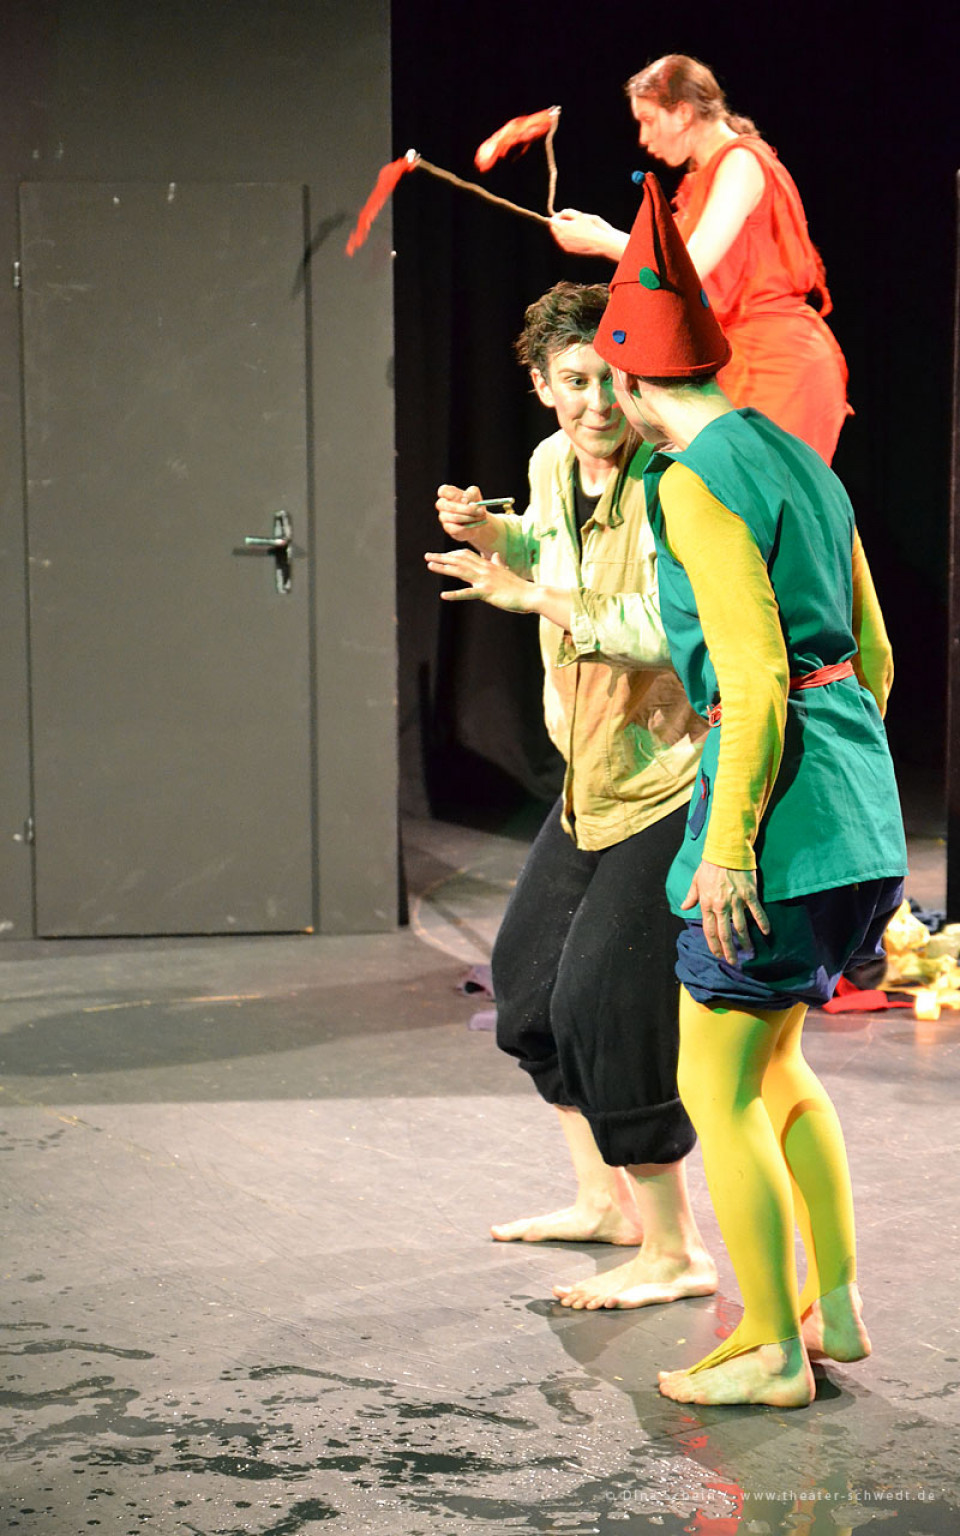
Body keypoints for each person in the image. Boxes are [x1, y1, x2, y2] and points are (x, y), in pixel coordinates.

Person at [591, 171, 907, 1405]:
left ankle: (772, 1346)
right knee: (777, 1068)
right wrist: (851, 798)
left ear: (630, 383)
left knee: (711, 1088)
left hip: (775, 823)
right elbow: (870, 655)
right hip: (858, 816)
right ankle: (836, 1307)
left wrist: (730, 845)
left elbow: (758, 677)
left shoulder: (695, 480)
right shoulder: (804, 460)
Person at [424, 281, 717, 1310]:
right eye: (576, 381)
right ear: (543, 385)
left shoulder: (674, 481)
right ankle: (607, 1203)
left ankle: (677, 1250)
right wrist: (494, 537)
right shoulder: (553, 463)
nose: (598, 402)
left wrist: (537, 595)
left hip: (671, 777)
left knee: (608, 1005)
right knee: (528, 991)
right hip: (590, 774)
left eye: (614, 379)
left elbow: (678, 628)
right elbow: (551, 551)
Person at [550, 54, 850, 464]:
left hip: (780, 364)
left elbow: (688, 267)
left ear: (684, 113)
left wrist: (603, 242)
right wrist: (602, 232)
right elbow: (674, 258)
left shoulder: (741, 162)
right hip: (734, 361)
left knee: (767, 497)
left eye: (649, 120)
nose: (644, 137)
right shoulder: (703, 178)